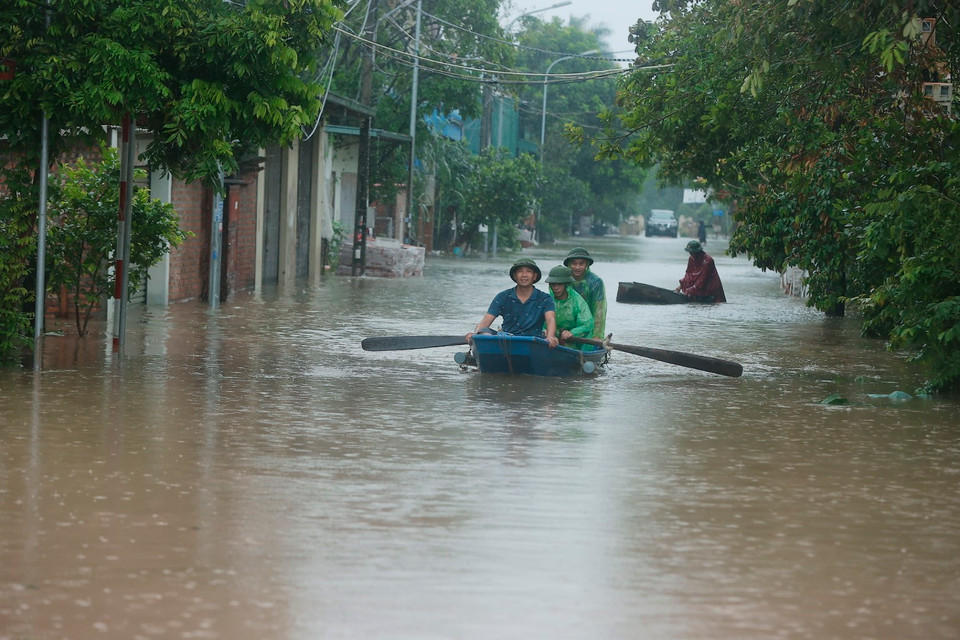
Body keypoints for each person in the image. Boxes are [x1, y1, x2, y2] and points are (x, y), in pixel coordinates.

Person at [467, 258, 559, 348]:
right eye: (520, 271)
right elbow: (487, 320)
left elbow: (550, 319)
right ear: (515, 276)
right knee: (484, 332)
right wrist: (475, 335)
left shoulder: (545, 299)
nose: (524, 275)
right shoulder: (503, 296)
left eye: (529, 271)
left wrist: (550, 337)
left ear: (534, 276)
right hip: (506, 341)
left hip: (533, 344)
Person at [543, 265, 593, 349]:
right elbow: (537, 320)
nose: (556, 288)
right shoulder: (547, 300)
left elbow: (587, 324)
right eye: (553, 284)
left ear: (567, 284)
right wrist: (544, 330)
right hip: (550, 340)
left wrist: (572, 333)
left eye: (560, 284)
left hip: (576, 344)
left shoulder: (577, 301)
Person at [563, 247, 606, 341]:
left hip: (588, 327)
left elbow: (599, 311)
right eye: (574, 263)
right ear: (569, 264)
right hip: (567, 328)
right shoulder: (563, 280)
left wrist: (596, 335)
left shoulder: (595, 282)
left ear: (587, 265)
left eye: (581, 263)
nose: (577, 267)